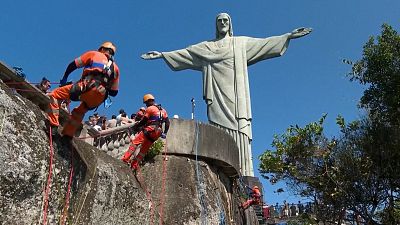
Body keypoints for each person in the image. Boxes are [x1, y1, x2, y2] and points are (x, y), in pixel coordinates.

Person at [141, 13, 312, 176]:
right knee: (218, 125)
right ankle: (223, 163)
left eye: (225, 21)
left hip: (237, 96)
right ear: (216, 25)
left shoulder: (240, 43)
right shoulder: (207, 47)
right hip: (217, 95)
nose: (222, 23)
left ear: (230, 24)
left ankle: (244, 171)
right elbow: (187, 53)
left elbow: (264, 43)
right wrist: (163, 55)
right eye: (219, 21)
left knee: (240, 127)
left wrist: (287, 36)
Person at [47, 41, 120, 139]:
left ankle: (53, 125)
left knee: (54, 95)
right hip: (99, 97)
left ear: (102, 49)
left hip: (86, 87)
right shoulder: (115, 69)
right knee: (80, 111)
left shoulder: (94, 54)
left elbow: (73, 65)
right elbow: (114, 92)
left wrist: (65, 78)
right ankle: (68, 135)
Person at [121, 94, 170, 170]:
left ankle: (125, 159)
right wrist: (165, 133)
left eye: (146, 103)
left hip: (150, 129)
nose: (146, 105)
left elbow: (144, 121)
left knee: (135, 143)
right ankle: (134, 165)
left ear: (149, 101)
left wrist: (136, 126)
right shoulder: (163, 110)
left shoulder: (150, 109)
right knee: (144, 149)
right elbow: (167, 122)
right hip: (157, 132)